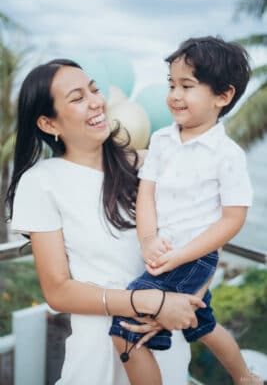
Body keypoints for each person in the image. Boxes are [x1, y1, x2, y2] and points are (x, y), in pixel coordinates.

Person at [6, 59, 206, 385]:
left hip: (165, 337)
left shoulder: (148, 165)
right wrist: (146, 303)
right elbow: (58, 291)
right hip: (100, 352)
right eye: (77, 97)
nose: (96, 101)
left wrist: (178, 303)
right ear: (48, 123)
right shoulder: (41, 182)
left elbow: (207, 233)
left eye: (95, 89)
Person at [110, 37, 263, 385]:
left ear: (223, 96)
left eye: (187, 86)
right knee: (202, 324)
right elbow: (146, 192)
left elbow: (233, 219)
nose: (174, 94)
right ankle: (245, 378)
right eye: (171, 84)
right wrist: (148, 239)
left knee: (126, 326)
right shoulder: (163, 139)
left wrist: (181, 257)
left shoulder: (227, 154)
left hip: (191, 257)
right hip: (163, 251)